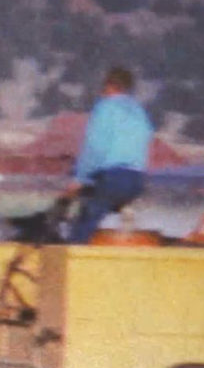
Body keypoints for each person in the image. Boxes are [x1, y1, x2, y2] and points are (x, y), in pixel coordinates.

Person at [64, 66, 154, 244]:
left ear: (109, 86)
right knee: (102, 203)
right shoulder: (139, 111)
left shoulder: (106, 107)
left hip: (114, 177)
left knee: (84, 220)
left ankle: (72, 257)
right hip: (136, 179)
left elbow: (95, 147)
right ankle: (123, 222)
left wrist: (78, 179)